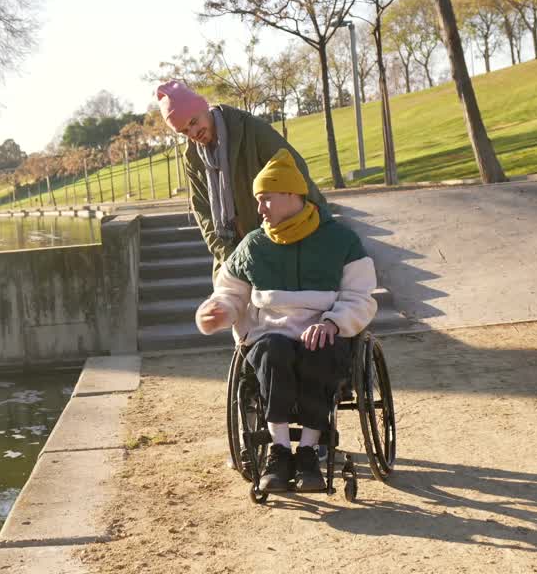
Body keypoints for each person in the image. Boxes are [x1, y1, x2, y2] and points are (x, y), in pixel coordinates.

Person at [195, 149, 377, 493]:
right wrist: (218, 309)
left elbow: (360, 297)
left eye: (265, 199)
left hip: (325, 330)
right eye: (258, 201)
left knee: (320, 350)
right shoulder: (253, 245)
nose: (259, 209)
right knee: (272, 351)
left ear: (292, 195)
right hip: (270, 334)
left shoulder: (341, 240)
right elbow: (231, 293)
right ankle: (279, 451)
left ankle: (308, 451)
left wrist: (332, 323)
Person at [155, 79, 328, 275]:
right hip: (231, 255)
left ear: (204, 108)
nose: (193, 133)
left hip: (278, 242)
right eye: (184, 131)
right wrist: (229, 258)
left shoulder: (250, 129)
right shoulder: (193, 156)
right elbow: (203, 211)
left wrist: (323, 217)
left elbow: (295, 172)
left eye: (194, 122)